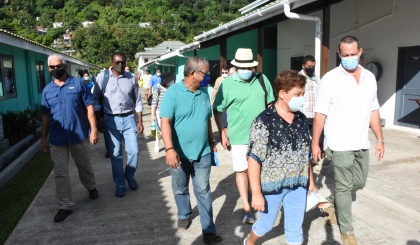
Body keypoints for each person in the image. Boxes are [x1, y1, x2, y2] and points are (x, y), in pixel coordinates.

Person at [311, 36, 385, 245]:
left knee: (359, 183)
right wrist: (315, 142)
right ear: (339, 55)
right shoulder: (330, 78)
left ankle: (330, 203)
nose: (350, 58)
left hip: (361, 141)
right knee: (343, 186)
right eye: (346, 55)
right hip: (338, 142)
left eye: (354, 54)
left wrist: (380, 139)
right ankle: (348, 232)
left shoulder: (369, 77)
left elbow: (374, 109)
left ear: (360, 52)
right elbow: (320, 113)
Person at [244, 70, 317, 245]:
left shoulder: (301, 119)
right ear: (282, 94)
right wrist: (256, 193)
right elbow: (254, 159)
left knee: (295, 232)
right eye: (297, 94)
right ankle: (250, 241)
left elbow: (304, 153)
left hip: (298, 184)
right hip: (272, 185)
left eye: (302, 94)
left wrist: (311, 181)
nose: (302, 98)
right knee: (266, 224)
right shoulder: (264, 121)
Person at [159, 57, 222, 244]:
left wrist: (211, 141)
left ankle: (208, 230)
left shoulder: (204, 93)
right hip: (178, 153)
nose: (207, 76)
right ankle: (184, 213)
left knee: (203, 189)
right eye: (205, 72)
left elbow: (207, 120)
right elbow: (165, 122)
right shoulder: (173, 93)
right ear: (193, 73)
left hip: (202, 152)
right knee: (180, 187)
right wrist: (169, 149)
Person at [213, 48, 275, 224]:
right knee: (242, 171)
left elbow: (271, 105)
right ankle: (247, 207)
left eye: (250, 67)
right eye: (243, 67)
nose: (247, 70)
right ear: (236, 66)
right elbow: (217, 110)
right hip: (238, 136)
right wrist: (223, 132)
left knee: (263, 170)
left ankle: (260, 199)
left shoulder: (262, 80)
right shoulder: (227, 84)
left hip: (263, 136)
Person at [40, 54, 99, 223]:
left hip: (78, 134)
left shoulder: (79, 84)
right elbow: (45, 116)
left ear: (64, 67)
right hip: (57, 138)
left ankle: (91, 187)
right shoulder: (47, 90)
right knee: (60, 173)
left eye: (57, 66)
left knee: (84, 166)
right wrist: (43, 138)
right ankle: (65, 205)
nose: (54, 70)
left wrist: (93, 130)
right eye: (51, 67)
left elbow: (89, 107)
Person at [93, 51, 144, 198]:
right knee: (115, 154)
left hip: (129, 119)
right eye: (117, 62)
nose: (120, 65)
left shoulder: (131, 78)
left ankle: (129, 175)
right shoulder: (102, 77)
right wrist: (99, 120)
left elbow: (138, 101)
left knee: (134, 151)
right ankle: (120, 183)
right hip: (110, 120)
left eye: (123, 62)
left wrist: (140, 120)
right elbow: (95, 99)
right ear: (112, 63)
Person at [151, 71, 174, 153]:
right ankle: (157, 142)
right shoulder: (158, 89)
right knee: (160, 130)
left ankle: (167, 146)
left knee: (169, 130)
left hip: (171, 112)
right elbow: (154, 102)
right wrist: (152, 115)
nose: (172, 82)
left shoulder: (172, 89)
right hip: (159, 113)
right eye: (170, 81)